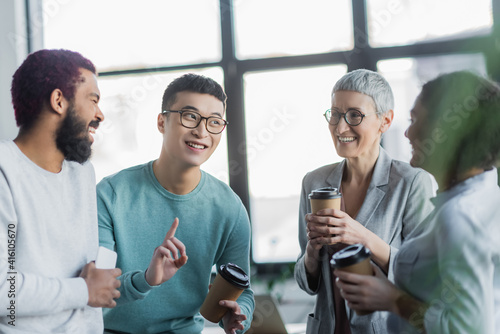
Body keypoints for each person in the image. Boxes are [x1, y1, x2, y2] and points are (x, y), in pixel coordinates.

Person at [335, 71, 500, 333]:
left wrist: (392, 300)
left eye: (415, 121)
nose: (408, 133)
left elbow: (469, 328)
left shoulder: (460, 215)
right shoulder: (474, 199)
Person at [97, 73, 254, 334]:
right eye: (190, 116)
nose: (202, 131)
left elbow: (242, 290)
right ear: (162, 121)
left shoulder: (229, 208)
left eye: (214, 122)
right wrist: (147, 279)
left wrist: (239, 314)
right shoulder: (110, 194)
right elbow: (98, 287)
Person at [294, 69, 434, 334]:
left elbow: (424, 277)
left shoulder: (411, 183)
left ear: (385, 120)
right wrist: (312, 253)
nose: (340, 126)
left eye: (354, 115)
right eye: (334, 114)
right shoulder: (313, 182)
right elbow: (306, 282)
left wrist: (362, 237)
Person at [0, 49, 121, 333]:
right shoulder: (5, 170)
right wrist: (82, 290)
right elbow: (3, 289)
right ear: (58, 101)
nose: (100, 114)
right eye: (93, 100)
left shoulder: (82, 173)